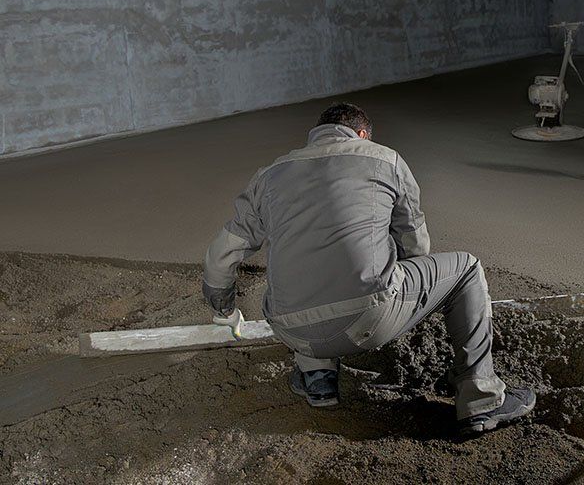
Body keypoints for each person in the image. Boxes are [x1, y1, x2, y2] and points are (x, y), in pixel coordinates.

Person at [202, 102, 535, 434]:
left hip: (292, 331)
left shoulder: (269, 175)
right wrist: (406, 305)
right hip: (366, 320)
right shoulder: (383, 158)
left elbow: (221, 255)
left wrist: (225, 309)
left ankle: (318, 379)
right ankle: (482, 400)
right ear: (362, 134)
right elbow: (415, 246)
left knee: (302, 269)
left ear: (315, 136)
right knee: (467, 269)